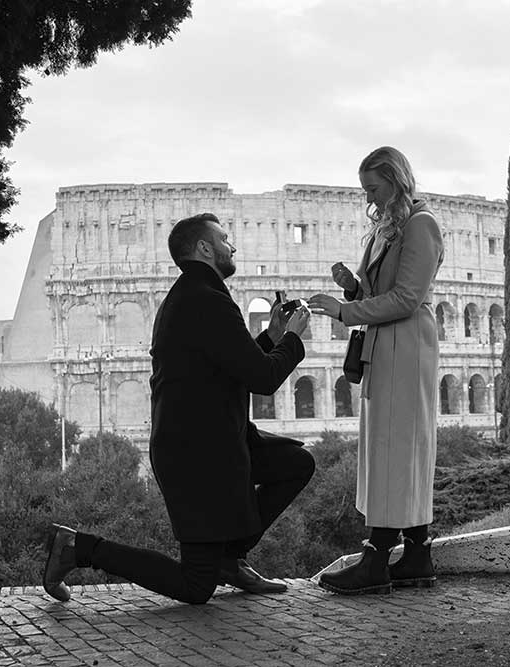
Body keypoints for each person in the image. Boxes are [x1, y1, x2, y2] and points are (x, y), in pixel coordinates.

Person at [43, 212, 314, 605]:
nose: (232, 245)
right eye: (224, 238)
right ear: (204, 248)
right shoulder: (206, 300)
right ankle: (76, 547)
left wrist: (271, 337)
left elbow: (233, 363)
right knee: (194, 586)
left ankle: (228, 557)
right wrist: (291, 338)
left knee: (294, 463)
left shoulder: (194, 296)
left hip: (214, 445)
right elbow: (262, 378)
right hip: (197, 458)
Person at [308, 146, 444, 595]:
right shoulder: (390, 227)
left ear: (396, 179)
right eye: (365, 189)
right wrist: (354, 284)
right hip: (386, 344)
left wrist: (345, 309)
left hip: (406, 344)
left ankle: (377, 557)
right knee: (394, 445)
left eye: (374, 187)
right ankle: (418, 553)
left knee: (396, 446)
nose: (369, 196)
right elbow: (382, 289)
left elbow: (407, 297)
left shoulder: (421, 225)